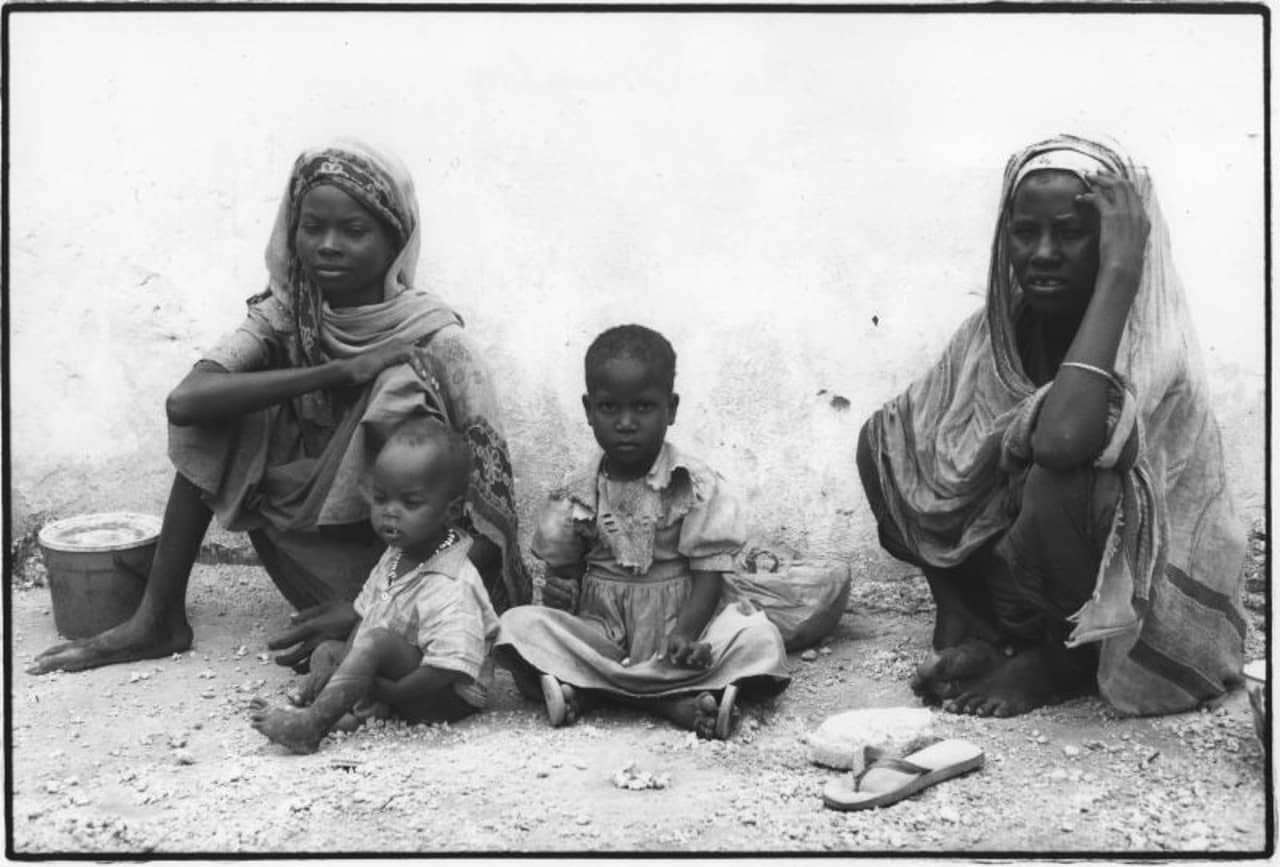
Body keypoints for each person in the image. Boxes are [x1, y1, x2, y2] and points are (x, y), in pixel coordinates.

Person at [29, 140, 528, 676]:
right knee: (228, 406)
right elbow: (187, 403)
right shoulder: (288, 314)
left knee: (398, 387)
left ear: (396, 240)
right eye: (313, 228)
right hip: (312, 558)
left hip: (418, 574)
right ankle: (158, 618)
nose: (329, 246)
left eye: (355, 231)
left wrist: (372, 606)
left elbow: (489, 529)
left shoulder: (439, 342)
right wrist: (336, 371)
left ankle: (372, 629)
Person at [857, 135, 1247, 717]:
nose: (1042, 253)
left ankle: (1064, 663)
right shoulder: (1003, 327)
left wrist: (1120, 273)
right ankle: (971, 624)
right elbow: (907, 441)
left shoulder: (1148, 341)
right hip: (1029, 577)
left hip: (1136, 594)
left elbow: (1063, 441)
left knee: (1060, 476)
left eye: (1070, 233)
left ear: (1117, 243)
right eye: (1024, 232)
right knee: (890, 441)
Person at [495, 325, 790, 739]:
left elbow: (709, 574)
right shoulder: (576, 491)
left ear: (671, 408)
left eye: (644, 407)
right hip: (603, 630)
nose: (627, 423)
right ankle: (668, 700)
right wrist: (559, 593)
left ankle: (599, 691)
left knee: (758, 639)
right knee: (515, 627)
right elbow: (564, 577)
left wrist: (686, 634)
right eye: (609, 408)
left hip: (683, 627)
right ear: (588, 409)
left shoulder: (693, 484)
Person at [250, 417, 498, 754]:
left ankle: (312, 725)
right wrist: (350, 664)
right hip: (405, 669)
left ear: (450, 510)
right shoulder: (396, 554)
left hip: (444, 694)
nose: (390, 513)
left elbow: (445, 669)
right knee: (329, 651)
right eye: (381, 499)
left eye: (410, 503)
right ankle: (340, 706)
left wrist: (391, 693)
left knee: (377, 644)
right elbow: (366, 619)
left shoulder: (452, 581)